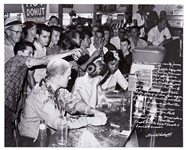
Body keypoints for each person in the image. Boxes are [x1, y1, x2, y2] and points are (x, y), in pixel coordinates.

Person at [18, 58, 107, 147]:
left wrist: (93, 111)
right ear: (58, 77)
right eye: (68, 75)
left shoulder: (58, 89)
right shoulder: (40, 95)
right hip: (33, 140)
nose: (70, 78)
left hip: (50, 134)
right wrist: (88, 120)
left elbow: (74, 104)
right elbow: (59, 123)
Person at [5, 40, 78, 147]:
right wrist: (69, 52)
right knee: (7, 141)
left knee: (7, 141)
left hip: (7, 107)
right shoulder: (16, 60)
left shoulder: (20, 69)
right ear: (19, 52)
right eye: (29, 53)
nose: (32, 56)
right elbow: (44, 60)